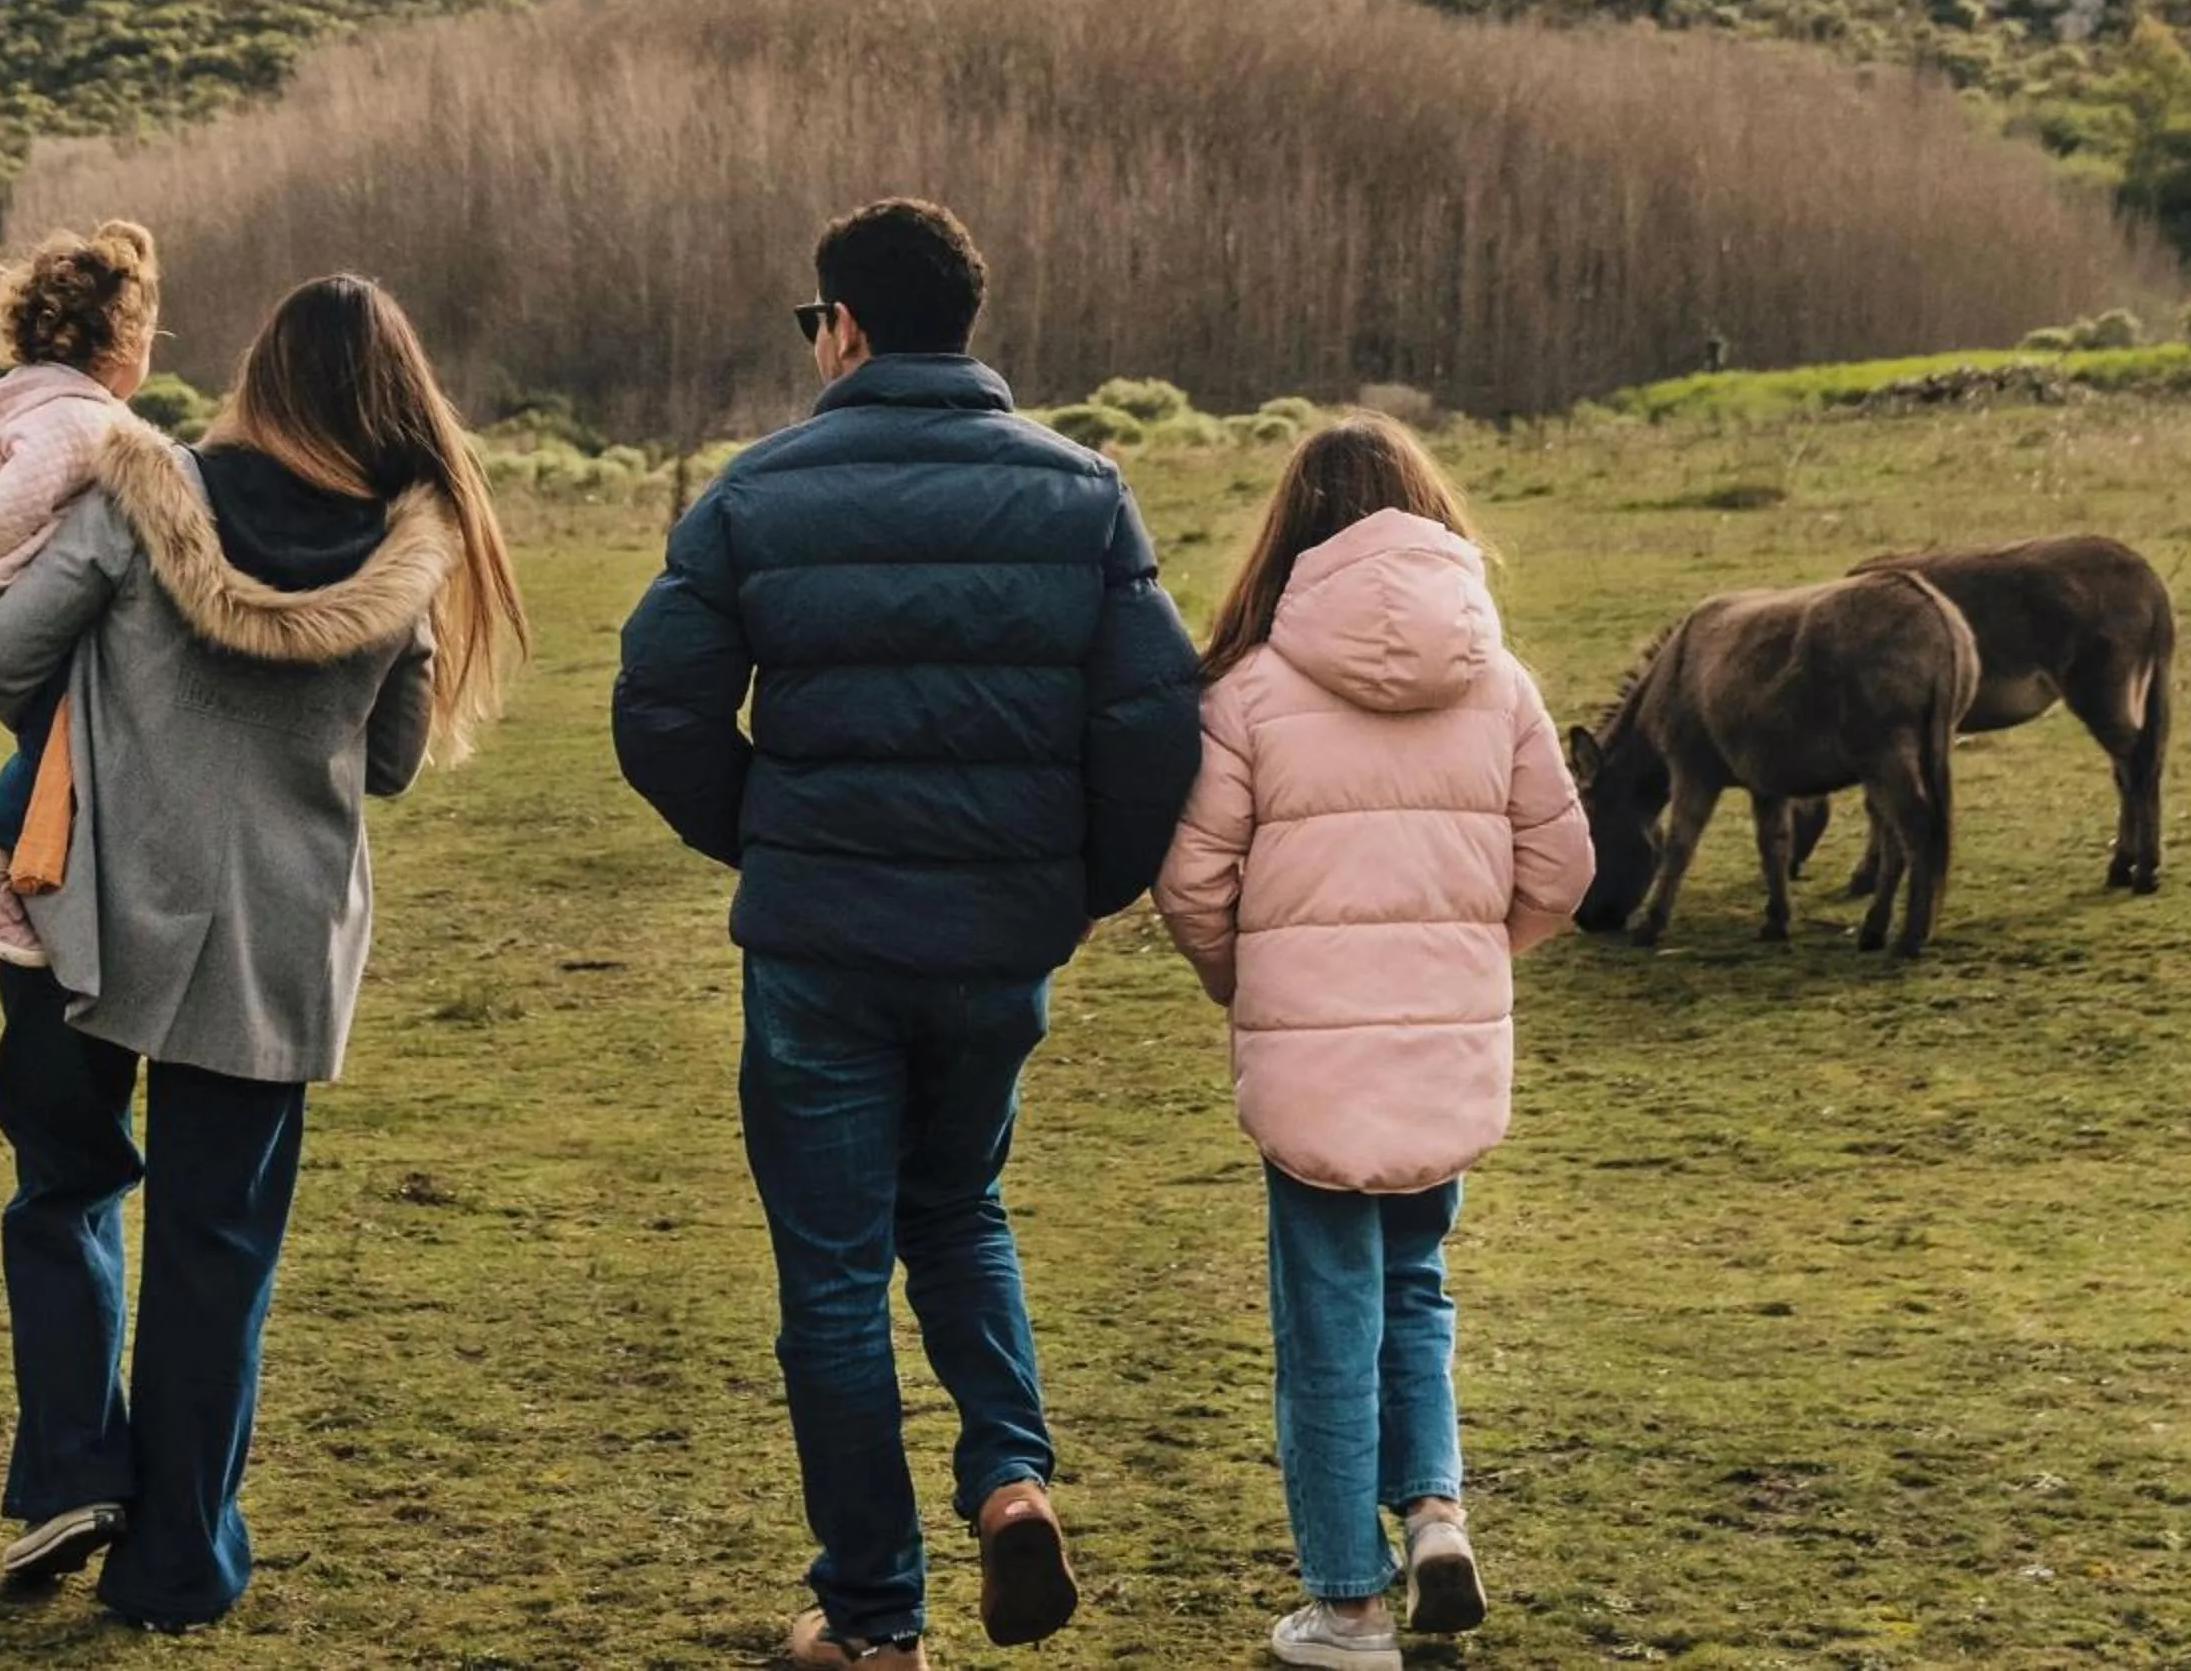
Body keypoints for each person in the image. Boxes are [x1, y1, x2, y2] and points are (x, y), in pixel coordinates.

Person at [613, 198, 1203, 1668]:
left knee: (829, 1274)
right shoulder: (1085, 492)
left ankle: (876, 1619)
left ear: (847, 324)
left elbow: (660, 709)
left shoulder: (758, 491)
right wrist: (1075, 889)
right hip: (996, 940)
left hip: (822, 946)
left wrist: (769, 835)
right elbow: (1151, 725)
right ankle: (1010, 1477)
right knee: (959, 1208)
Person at [0, 273, 528, 1632]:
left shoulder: (134, 498)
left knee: (63, 1183)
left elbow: (1, 657)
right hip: (276, 939)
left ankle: (76, 1466)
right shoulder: (412, 560)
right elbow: (388, 766)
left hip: (90, 902)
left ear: (263, 376)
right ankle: (177, 1565)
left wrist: (114, 713)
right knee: (219, 1251)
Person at [1148, 413, 1594, 1671]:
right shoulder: (1500, 685)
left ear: (1293, 533)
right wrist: (1465, 962)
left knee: (1325, 1322)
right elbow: (1564, 869)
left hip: (1310, 1061)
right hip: (1442, 1051)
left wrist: (1254, 981)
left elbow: (1191, 884)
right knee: (1416, 1288)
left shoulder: (1245, 690)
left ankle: (1345, 1604)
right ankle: (1436, 1515)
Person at [0, 220, 164, 969]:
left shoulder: (55, 409)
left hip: (40, 596)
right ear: (125, 346)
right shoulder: (79, 422)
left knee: (60, 738)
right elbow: (0, 514)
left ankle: (17, 864)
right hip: (47, 603)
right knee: (65, 727)